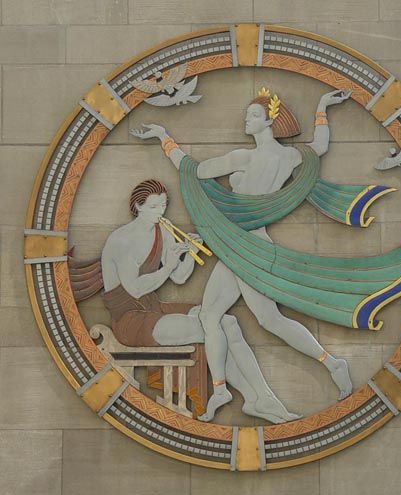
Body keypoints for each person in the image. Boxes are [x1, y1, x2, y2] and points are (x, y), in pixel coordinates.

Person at [130, 89, 354, 421]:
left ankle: (332, 363)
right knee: (214, 316)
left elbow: (193, 171)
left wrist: (165, 139)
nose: (246, 120)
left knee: (267, 320)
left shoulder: (244, 158)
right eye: (246, 115)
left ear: (270, 120)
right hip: (243, 246)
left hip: (246, 248)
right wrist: (321, 107)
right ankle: (222, 389)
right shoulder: (290, 157)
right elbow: (319, 147)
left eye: (253, 115)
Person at [101, 179, 300, 423]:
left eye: (163, 206)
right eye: (153, 207)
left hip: (154, 308)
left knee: (227, 323)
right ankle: (228, 391)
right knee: (210, 327)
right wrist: (169, 266)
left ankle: (261, 398)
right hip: (131, 320)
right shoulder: (121, 241)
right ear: (138, 206)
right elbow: (135, 289)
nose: (159, 212)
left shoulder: (162, 230)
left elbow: (180, 277)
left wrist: (191, 253)